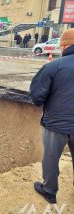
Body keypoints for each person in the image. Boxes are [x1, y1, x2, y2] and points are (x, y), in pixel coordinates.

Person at [29, 28, 74, 204]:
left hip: (56, 124)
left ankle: (49, 190)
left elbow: (37, 97)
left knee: (51, 158)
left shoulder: (53, 67)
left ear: (65, 46)